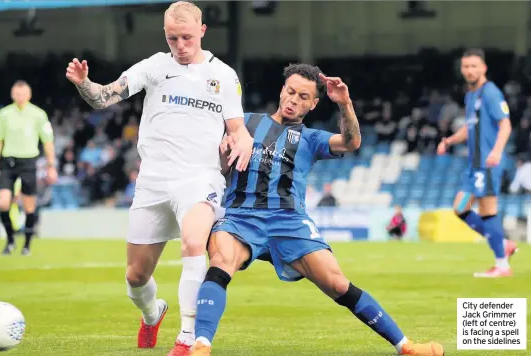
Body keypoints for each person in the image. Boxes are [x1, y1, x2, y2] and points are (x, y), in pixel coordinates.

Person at [190, 64, 445, 356]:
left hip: (290, 222)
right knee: (221, 261)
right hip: (241, 217)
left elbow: (351, 142)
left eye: (302, 96)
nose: (293, 100)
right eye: (290, 92)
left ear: (313, 104)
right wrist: (223, 155)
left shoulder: (311, 139)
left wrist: (345, 104)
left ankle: (406, 346)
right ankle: (201, 345)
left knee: (338, 283)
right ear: (281, 90)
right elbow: (216, 164)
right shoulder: (244, 123)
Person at [65, 2, 253, 355]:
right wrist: (84, 83)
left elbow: (238, 129)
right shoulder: (154, 66)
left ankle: (186, 338)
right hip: (153, 180)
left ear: (202, 31)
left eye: (186, 37)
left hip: (200, 177)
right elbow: (105, 97)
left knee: (194, 245)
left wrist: (240, 144)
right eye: (172, 38)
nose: (180, 45)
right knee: (135, 277)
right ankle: (153, 313)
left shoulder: (223, 75)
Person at [437, 49, 518, 278]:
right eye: (466, 67)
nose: (469, 70)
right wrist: (450, 141)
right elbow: (470, 127)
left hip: (488, 163)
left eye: (474, 66)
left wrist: (497, 152)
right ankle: (503, 244)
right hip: (474, 166)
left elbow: (506, 125)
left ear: (484, 68)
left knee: (487, 210)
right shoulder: (471, 95)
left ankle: (502, 264)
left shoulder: (491, 93)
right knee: (460, 208)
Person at [0, 80, 58, 256]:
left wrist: (51, 166)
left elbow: (48, 141)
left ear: (29, 95)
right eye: (16, 94)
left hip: (28, 162)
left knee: (29, 206)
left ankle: (27, 245)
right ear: (12, 95)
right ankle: (11, 239)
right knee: (3, 202)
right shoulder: (4, 114)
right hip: (8, 161)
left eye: (23, 94)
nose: (19, 97)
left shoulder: (38, 114)